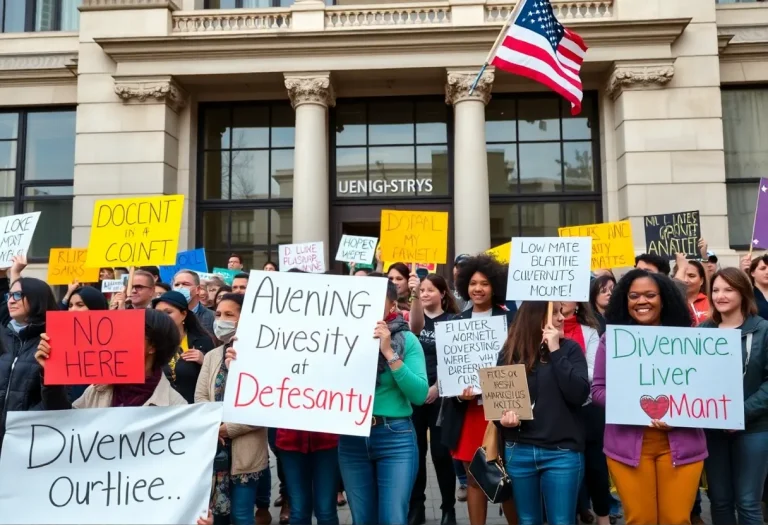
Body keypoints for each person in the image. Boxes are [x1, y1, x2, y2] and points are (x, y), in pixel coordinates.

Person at [592, 269, 707, 525]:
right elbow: (598, 391)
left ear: (663, 299)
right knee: (640, 520)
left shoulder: (690, 341)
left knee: (676, 520)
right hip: (628, 447)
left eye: (649, 295)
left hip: (683, 444)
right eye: (633, 296)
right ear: (625, 301)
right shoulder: (611, 341)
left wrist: (679, 413)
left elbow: (705, 390)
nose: (641, 301)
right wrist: (639, 408)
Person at [338, 279, 428, 525]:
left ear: (391, 305)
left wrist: (389, 353)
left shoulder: (407, 340)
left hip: (395, 437)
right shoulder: (334, 338)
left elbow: (419, 394)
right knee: (363, 519)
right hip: (352, 438)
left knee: (393, 518)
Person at [440, 254, 517, 525]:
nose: (478, 288)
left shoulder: (512, 320)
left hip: (502, 412)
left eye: (484, 283)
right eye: (473, 283)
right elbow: (449, 371)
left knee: (505, 475)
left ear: (494, 286)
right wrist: (459, 393)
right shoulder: (454, 323)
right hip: (469, 413)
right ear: (465, 286)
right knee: (474, 476)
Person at [497, 301, 589, 525]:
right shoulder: (510, 352)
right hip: (519, 451)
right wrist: (504, 422)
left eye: (561, 312)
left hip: (562, 453)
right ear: (536, 317)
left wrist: (556, 351)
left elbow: (578, 394)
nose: (561, 317)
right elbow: (498, 403)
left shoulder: (570, 349)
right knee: (527, 520)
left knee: (561, 520)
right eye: (555, 312)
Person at [700, 268, 768, 525]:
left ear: (743, 292)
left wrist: (739, 414)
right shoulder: (701, 332)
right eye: (716, 290)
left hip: (754, 429)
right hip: (714, 430)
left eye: (728, 289)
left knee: (749, 502)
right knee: (719, 501)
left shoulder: (763, 330)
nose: (721, 295)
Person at [196, 293, 268, 525]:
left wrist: (230, 429)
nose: (221, 320)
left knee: (241, 515)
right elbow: (201, 398)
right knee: (217, 516)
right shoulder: (211, 356)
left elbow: (264, 406)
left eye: (229, 315)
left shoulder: (261, 357)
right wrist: (215, 427)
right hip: (214, 449)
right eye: (217, 314)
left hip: (246, 453)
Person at [36, 308, 186, 409]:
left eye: (129, 332)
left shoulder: (174, 405)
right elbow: (64, 423)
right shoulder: (98, 389)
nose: (120, 338)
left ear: (153, 346)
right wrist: (50, 377)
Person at [409, 274, 460, 525]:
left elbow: (455, 359)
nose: (426, 294)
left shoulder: (453, 321)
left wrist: (438, 387)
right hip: (415, 397)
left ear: (443, 293)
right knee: (416, 454)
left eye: (430, 290)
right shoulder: (413, 321)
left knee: (441, 455)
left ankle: (448, 508)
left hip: (442, 397)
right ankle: (416, 506)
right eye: (422, 290)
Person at [0, 256, 58, 452]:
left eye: (17, 296)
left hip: (27, 443)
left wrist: (23, 425)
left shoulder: (51, 342)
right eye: (9, 296)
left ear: (36, 300)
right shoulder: (4, 336)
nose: (10, 300)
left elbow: (57, 405)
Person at [561, 302, 611, 525]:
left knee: (596, 466)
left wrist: (564, 370)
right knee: (565, 467)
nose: (561, 299)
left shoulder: (589, 331)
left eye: (567, 295)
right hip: (559, 410)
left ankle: (603, 515)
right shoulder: (539, 331)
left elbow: (594, 372)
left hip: (588, 407)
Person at [153, 291, 215, 403]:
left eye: (168, 312)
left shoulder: (202, 341)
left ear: (184, 314)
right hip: (159, 410)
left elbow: (217, 380)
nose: (163, 318)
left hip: (193, 410)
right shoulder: (150, 344)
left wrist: (205, 361)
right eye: (158, 313)